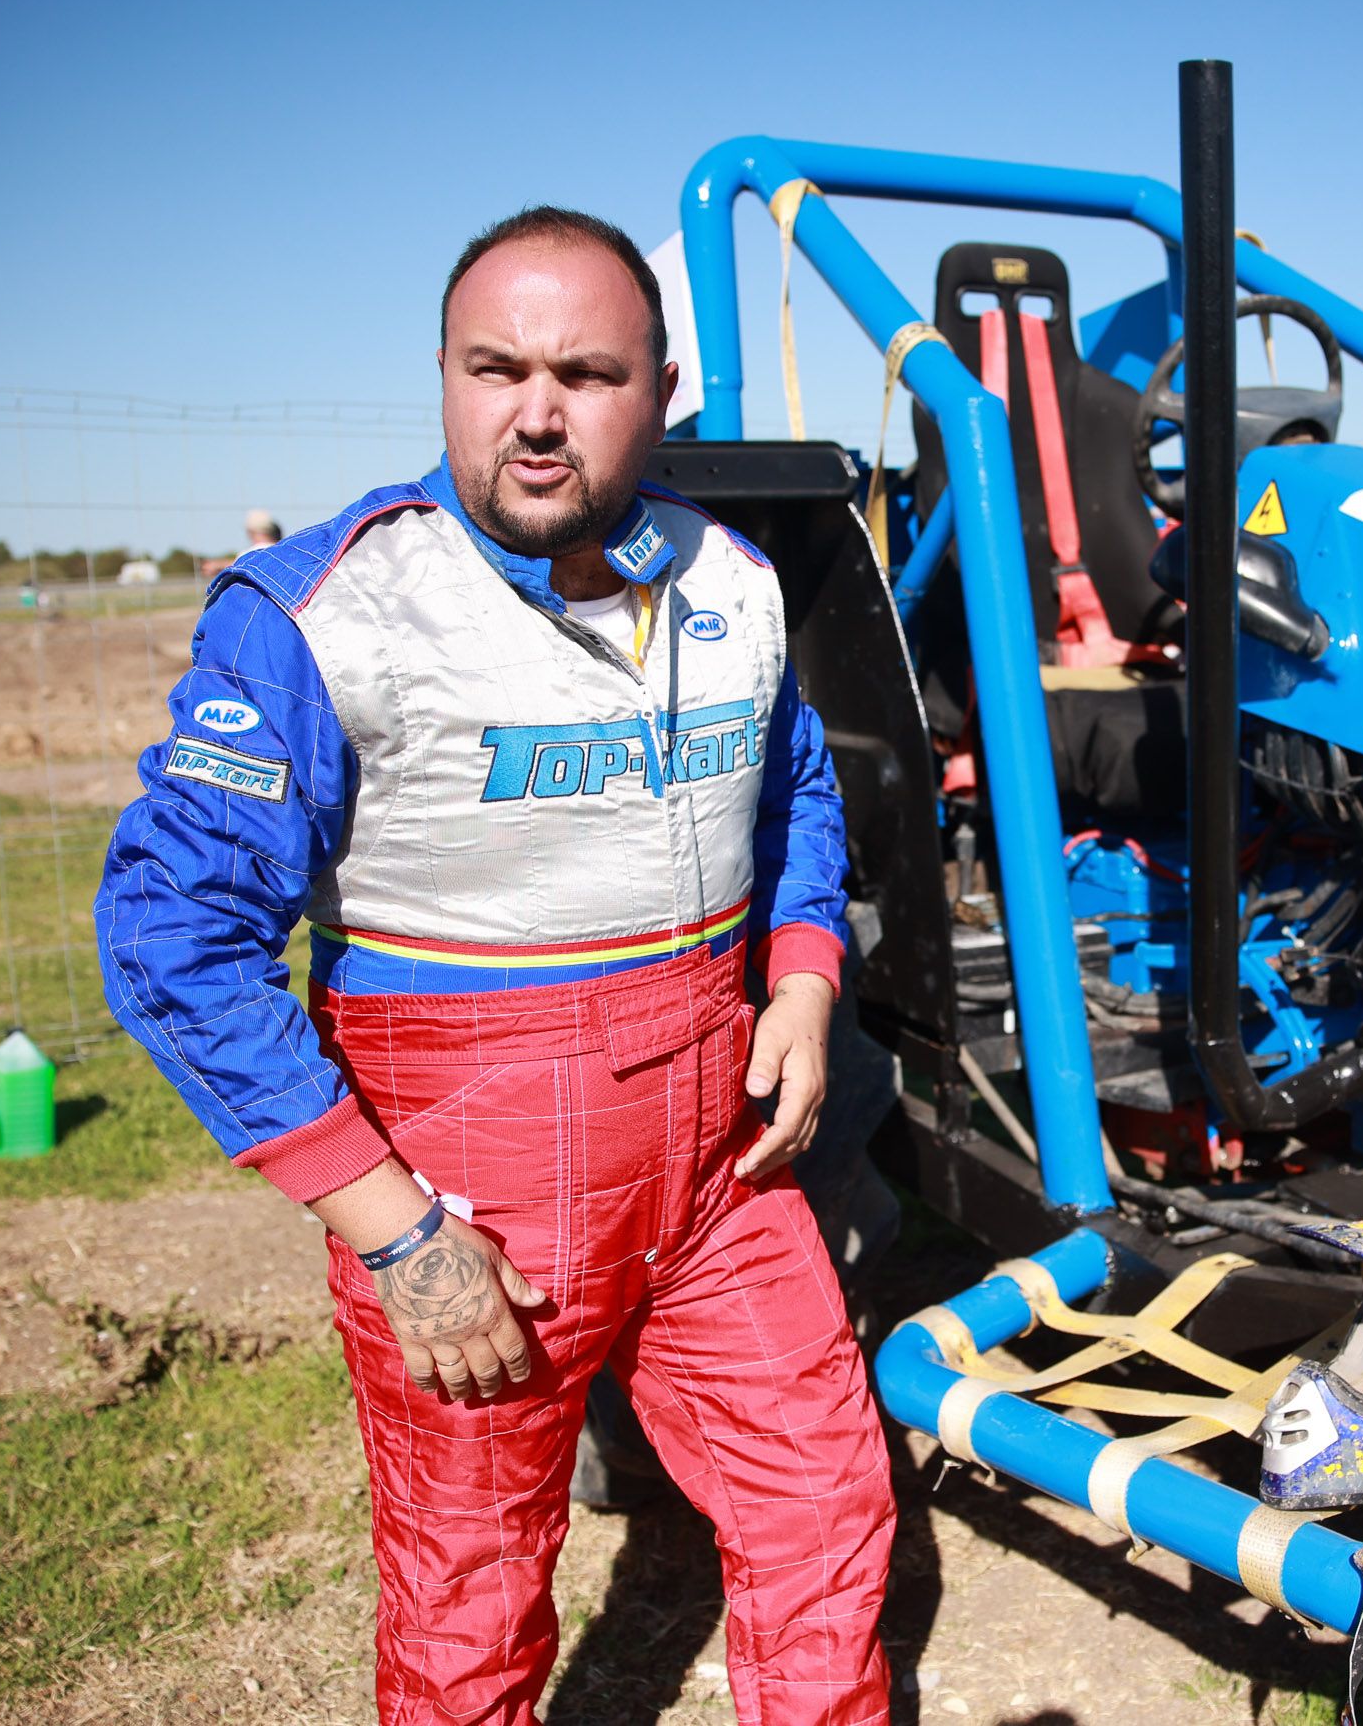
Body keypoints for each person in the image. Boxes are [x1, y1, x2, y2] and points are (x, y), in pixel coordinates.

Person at [93, 207, 894, 1726]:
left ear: (660, 393)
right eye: (495, 368)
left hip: (722, 1162)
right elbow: (171, 940)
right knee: (470, 1599)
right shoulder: (327, 617)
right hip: (470, 1188)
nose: (535, 413)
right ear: (445, 379)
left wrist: (799, 973)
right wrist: (393, 1233)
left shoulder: (734, 581)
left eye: (586, 373)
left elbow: (796, 791)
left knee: (825, 1509)